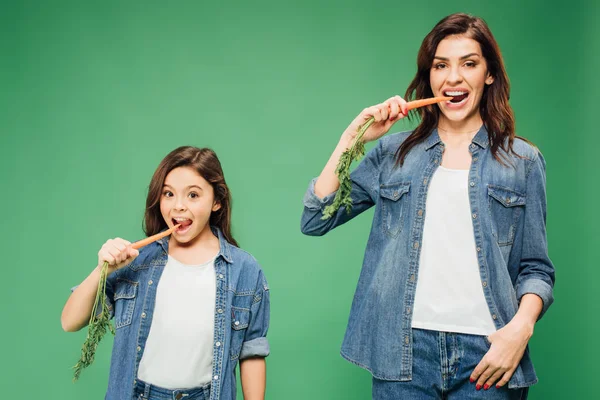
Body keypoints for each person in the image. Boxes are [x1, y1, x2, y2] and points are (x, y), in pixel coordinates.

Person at [300, 13, 554, 399]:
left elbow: (536, 268)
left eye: (469, 63)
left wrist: (519, 330)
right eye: (441, 65)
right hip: (402, 353)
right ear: (429, 76)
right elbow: (316, 217)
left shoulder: (522, 161)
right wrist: (354, 137)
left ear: (489, 74)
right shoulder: (394, 153)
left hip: (489, 353)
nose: (453, 77)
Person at [62, 146, 270, 400]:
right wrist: (101, 270)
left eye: (193, 195)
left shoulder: (245, 270)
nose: (178, 206)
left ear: (216, 201)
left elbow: (252, 352)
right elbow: (70, 321)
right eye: (168, 194)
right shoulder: (136, 261)